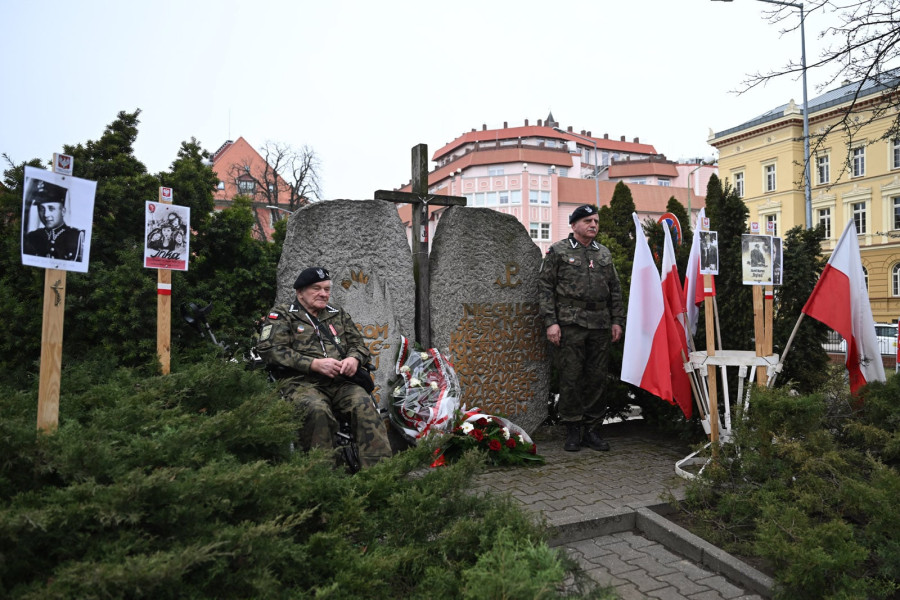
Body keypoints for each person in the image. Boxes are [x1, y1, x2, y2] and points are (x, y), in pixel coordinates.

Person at [256, 267, 392, 468]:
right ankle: (326, 475)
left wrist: (353, 360)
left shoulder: (337, 314)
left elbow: (359, 346)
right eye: (316, 289)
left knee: (364, 405)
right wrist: (313, 364)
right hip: (301, 383)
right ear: (300, 292)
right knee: (317, 410)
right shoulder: (283, 315)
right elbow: (270, 350)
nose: (323, 294)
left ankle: (381, 474)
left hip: (341, 383)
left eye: (327, 289)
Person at [538, 204, 625, 452]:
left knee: (597, 378)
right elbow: (545, 288)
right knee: (571, 377)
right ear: (574, 225)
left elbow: (615, 290)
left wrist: (617, 320)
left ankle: (592, 430)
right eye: (588, 221)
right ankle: (573, 429)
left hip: (600, 323)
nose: (593, 225)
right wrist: (551, 322)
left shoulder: (603, 253)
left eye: (596, 221)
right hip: (570, 322)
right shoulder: (558, 251)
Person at [22, 179, 84, 261]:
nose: (46, 214)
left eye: (51, 208)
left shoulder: (77, 236)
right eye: (41, 209)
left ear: (63, 211)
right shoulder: (32, 237)